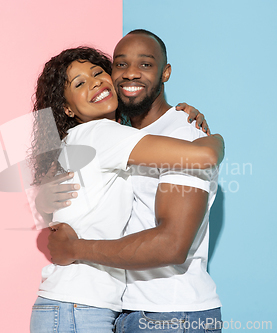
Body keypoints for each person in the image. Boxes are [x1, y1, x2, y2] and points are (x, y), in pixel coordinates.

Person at [29, 46, 224, 333]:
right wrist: (218, 139)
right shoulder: (100, 133)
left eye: (98, 72)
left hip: (102, 307)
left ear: (164, 73)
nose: (95, 81)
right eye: (80, 83)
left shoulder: (90, 139)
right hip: (79, 306)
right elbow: (204, 156)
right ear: (67, 108)